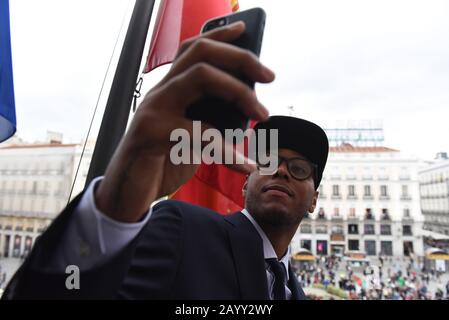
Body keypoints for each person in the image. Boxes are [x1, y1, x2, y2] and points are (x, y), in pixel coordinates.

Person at [2, 22, 329, 300]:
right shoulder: (182, 229)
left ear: (314, 199)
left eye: (298, 169)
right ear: (247, 179)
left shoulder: (293, 291)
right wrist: (117, 207)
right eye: (268, 161)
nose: (281, 171)